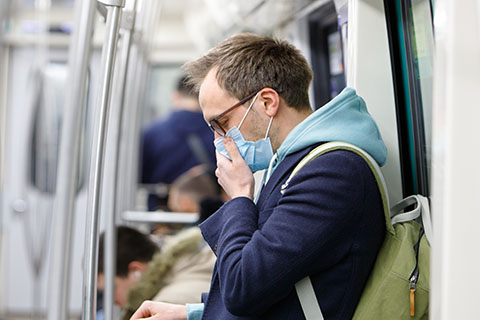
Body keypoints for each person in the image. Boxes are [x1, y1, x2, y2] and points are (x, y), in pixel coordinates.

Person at [131, 33, 387, 320]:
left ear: (267, 102)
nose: (218, 138)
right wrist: (191, 313)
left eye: (222, 123)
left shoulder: (333, 172)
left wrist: (239, 195)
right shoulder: (293, 164)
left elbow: (244, 289)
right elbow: (278, 285)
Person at [141, 75, 216, 210]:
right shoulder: (218, 132)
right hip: (207, 211)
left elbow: (142, 177)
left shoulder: (153, 132)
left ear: (175, 96)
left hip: (162, 213)